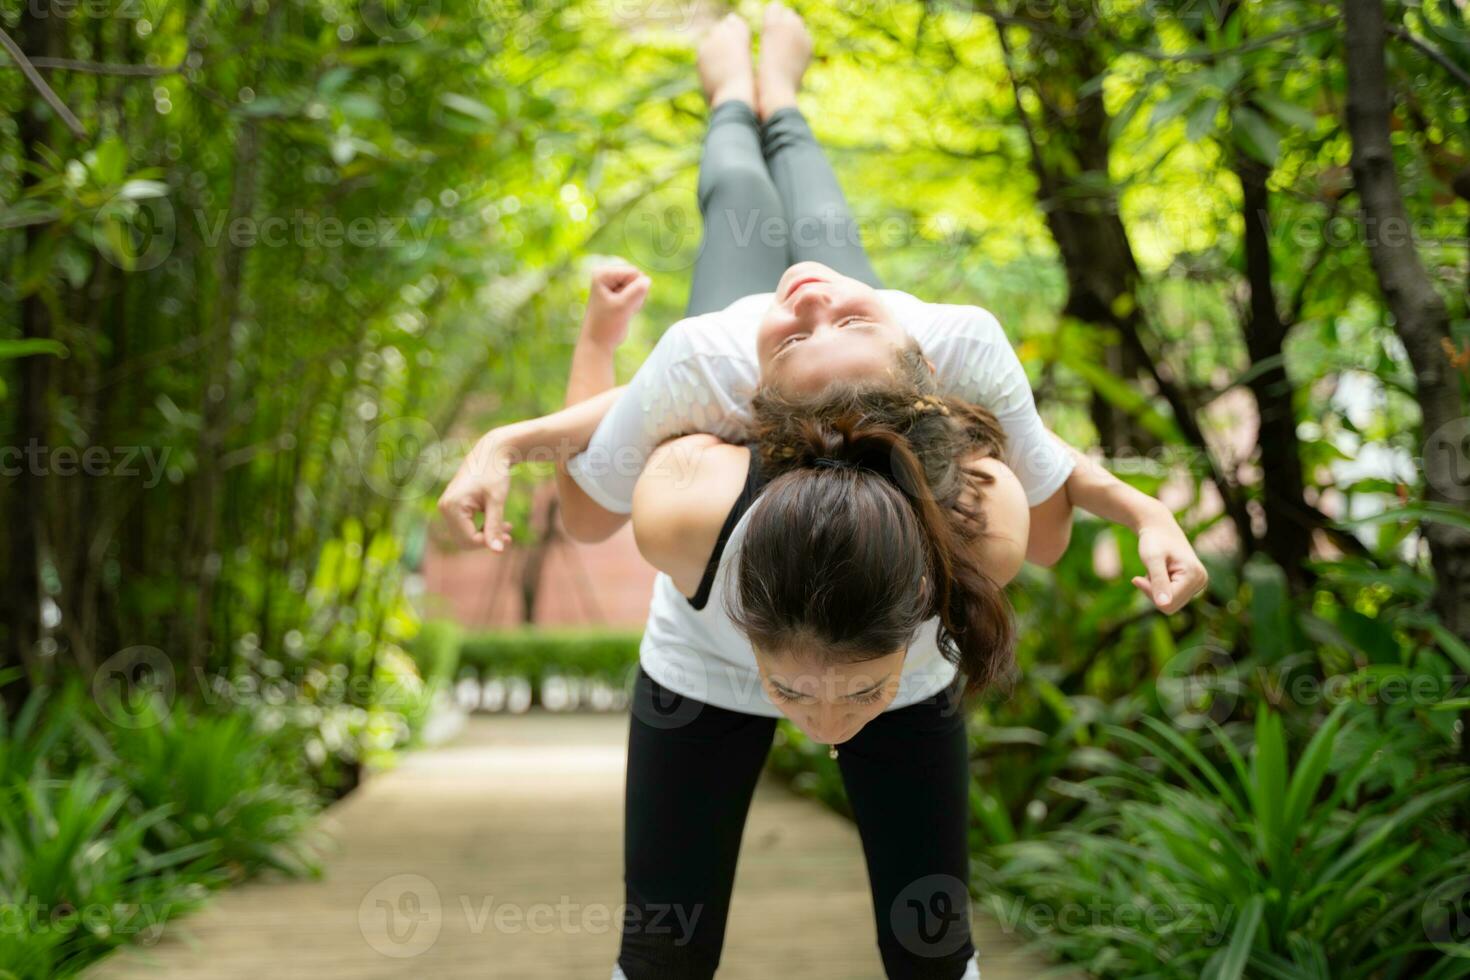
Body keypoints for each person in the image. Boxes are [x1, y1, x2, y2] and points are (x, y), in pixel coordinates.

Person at [436, 7, 1208, 977]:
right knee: (749, 205)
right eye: (797, 687)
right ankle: (741, 92)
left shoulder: (964, 412)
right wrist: (592, 351)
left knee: (934, 953)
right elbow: (589, 512)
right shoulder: (711, 387)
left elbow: (1046, 488)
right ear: (761, 408)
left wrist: (1142, 507)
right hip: (700, 676)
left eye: (839, 691)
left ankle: (771, 93)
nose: (804, 297)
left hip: (901, 634)